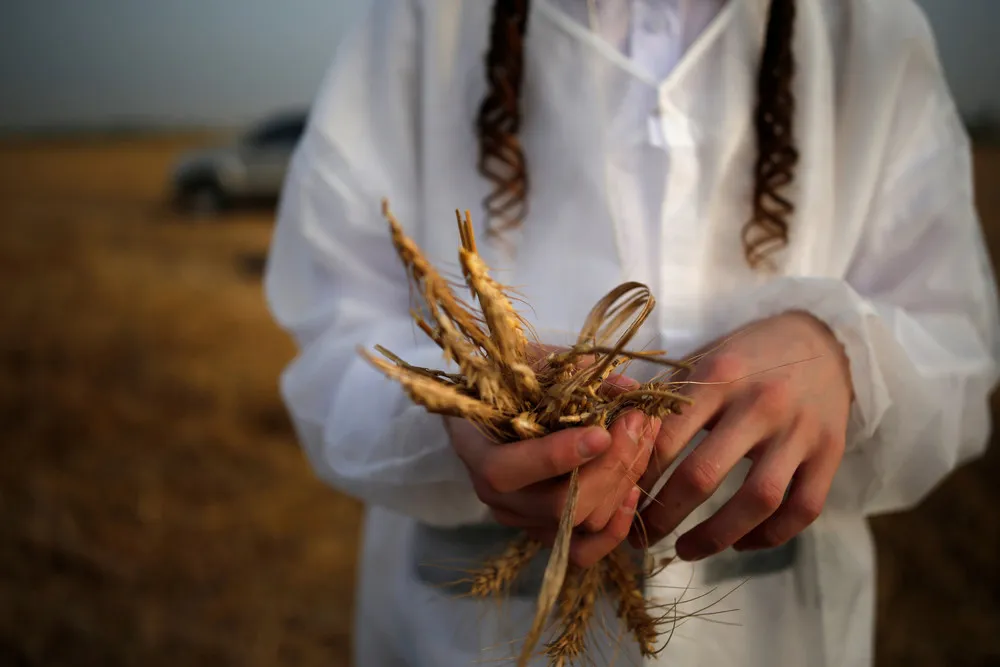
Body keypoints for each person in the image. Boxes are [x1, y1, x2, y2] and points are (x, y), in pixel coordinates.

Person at [264, 0, 1000, 665]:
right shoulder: (425, 20)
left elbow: (957, 342)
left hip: (781, 636)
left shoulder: (866, 27)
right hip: (460, 641)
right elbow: (334, 333)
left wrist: (845, 358)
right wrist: (463, 409)